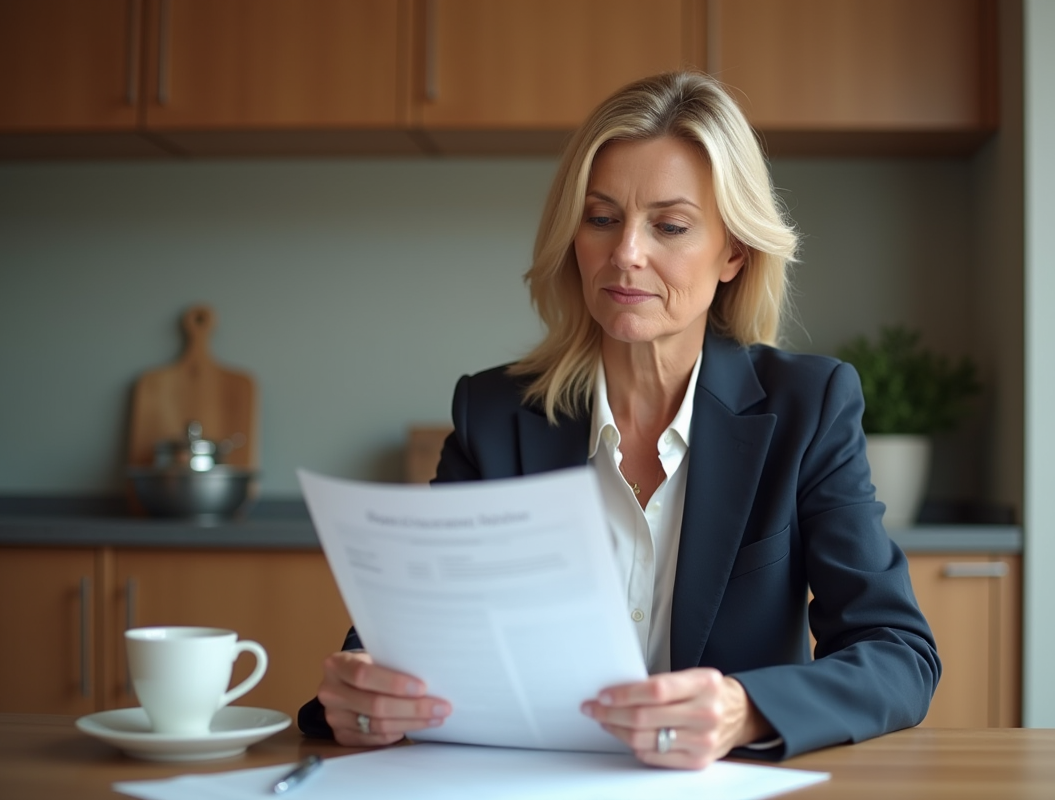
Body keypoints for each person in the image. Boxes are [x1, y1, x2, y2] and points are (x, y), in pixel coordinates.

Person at [299, 71, 939, 768]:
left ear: (734, 252)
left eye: (669, 225)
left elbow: (898, 657)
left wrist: (743, 711)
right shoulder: (494, 416)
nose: (625, 252)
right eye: (602, 218)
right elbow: (403, 643)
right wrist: (361, 694)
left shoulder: (806, 407)